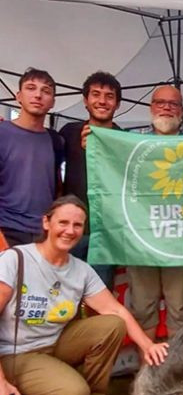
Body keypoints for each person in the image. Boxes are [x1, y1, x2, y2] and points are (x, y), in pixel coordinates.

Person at [0, 195, 168, 395]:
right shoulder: (15, 259)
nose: (70, 230)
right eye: (63, 223)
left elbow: (116, 310)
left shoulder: (81, 270)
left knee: (112, 325)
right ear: (46, 223)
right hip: (15, 353)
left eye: (77, 225)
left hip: (54, 343)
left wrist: (148, 345)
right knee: (72, 394)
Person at [128, 85, 183, 343]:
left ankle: (176, 373)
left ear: (182, 110)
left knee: (180, 307)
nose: (166, 108)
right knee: (143, 307)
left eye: (173, 104)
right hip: (141, 239)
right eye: (160, 103)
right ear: (150, 108)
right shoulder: (130, 144)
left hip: (181, 240)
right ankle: (146, 374)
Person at [60, 71, 122, 290]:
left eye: (109, 96)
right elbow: (50, 168)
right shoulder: (69, 132)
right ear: (85, 101)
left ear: (118, 104)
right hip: (70, 227)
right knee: (63, 293)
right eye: (96, 94)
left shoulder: (124, 139)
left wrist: (101, 151)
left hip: (106, 232)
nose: (102, 101)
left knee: (99, 293)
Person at [0, 68, 63, 247]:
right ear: (18, 96)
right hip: (6, 230)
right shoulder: (2, 134)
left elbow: (57, 187)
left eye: (46, 91)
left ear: (52, 102)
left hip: (43, 233)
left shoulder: (56, 140)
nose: (38, 95)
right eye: (31, 88)